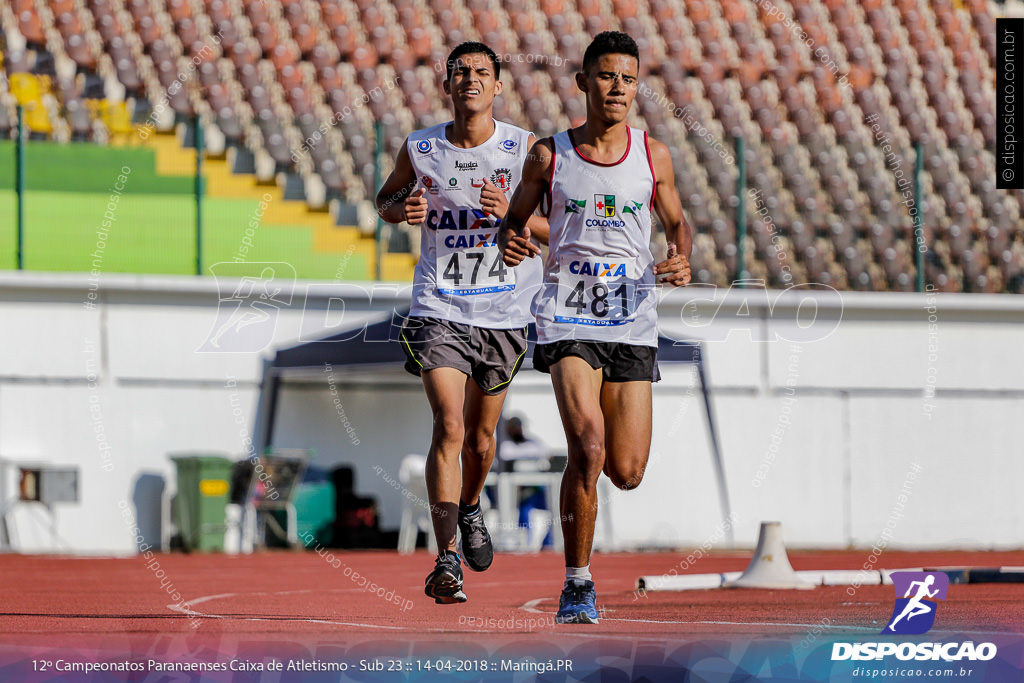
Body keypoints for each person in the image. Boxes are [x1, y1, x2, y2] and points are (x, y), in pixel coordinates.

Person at [499, 31, 693, 623]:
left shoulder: (652, 155)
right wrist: (513, 241)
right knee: (587, 445)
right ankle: (577, 583)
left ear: (637, 88)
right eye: (606, 76)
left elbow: (679, 223)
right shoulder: (549, 155)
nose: (617, 88)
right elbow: (514, 221)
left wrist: (682, 257)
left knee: (626, 470)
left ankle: (585, 515)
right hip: (567, 315)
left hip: (632, 318)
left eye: (627, 79)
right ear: (583, 83)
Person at [376, 42, 548, 604]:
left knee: (480, 440)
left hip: (502, 312)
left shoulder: (526, 150)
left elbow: (557, 229)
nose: (470, 79)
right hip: (439, 306)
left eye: (481, 72)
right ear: (446, 85)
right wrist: (404, 211)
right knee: (449, 427)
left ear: (498, 86)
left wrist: (514, 220)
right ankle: (446, 560)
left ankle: (471, 505)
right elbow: (385, 199)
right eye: (460, 72)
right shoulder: (421, 146)